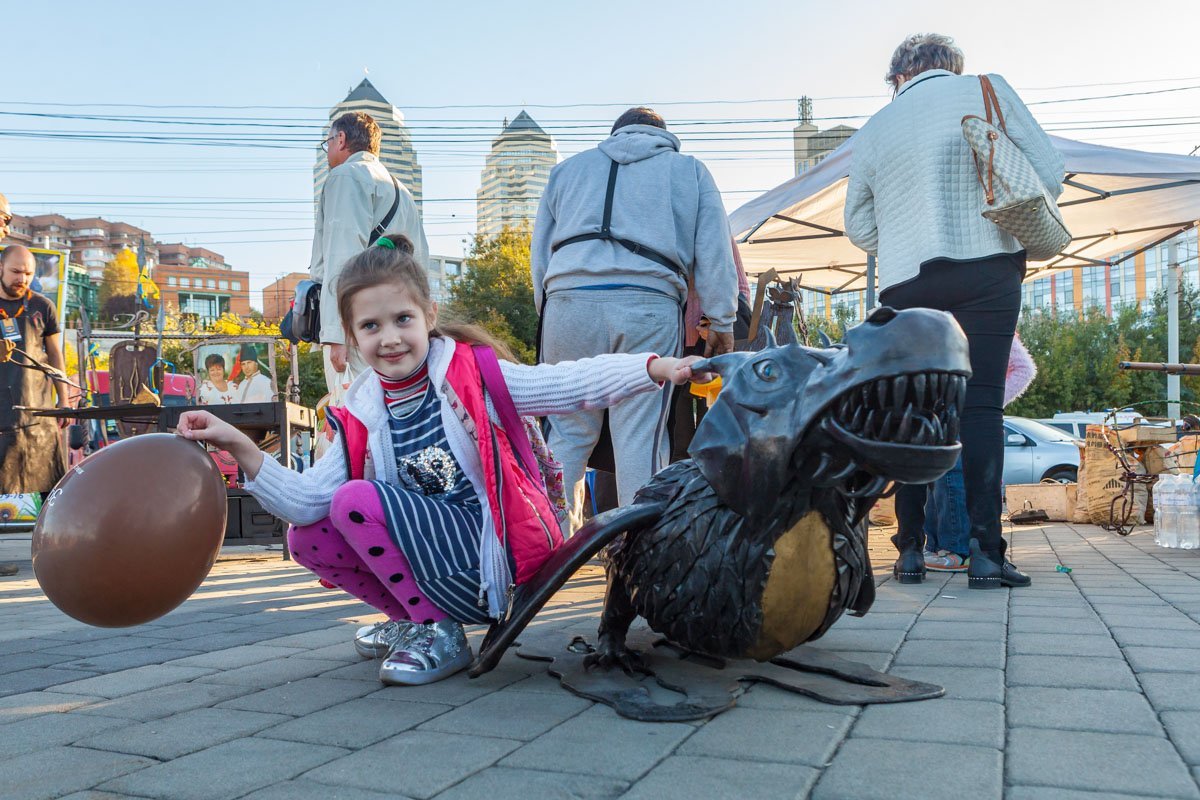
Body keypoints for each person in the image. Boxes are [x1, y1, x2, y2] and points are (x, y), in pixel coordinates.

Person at [176, 234, 706, 686]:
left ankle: (440, 631)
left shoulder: (472, 373)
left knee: (356, 499)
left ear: (428, 315)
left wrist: (654, 368)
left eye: (402, 319)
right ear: (352, 336)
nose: (389, 338)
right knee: (307, 536)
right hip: (431, 559)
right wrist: (236, 443)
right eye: (370, 326)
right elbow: (307, 502)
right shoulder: (361, 409)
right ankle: (414, 618)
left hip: (489, 555)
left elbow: (564, 382)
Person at [845, 33, 1062, 589]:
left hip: (906, 282)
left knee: (913, 410)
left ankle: (910, 552)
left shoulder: (874, 129)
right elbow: (1048, 171)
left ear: (899, 77)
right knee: (982, 407)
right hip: (988, 266)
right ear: (952, 66)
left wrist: (905, 233)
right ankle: (986, 554)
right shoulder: (986, 89)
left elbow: (858, 227)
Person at [532, 106, 739, 531]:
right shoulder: (689, 171)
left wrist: (550, 311)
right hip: (648, 302)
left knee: (567, 436)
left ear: (615, 135)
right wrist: (722, 321)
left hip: (567, 303)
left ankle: (546, 549)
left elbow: (540, 257)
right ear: (662, 135)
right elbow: (715, 251)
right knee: (639, 438)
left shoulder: (566, 172)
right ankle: (634, 555)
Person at [311, 111, 429, 405]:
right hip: (403, 318)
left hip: (362, 321)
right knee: (402, 405)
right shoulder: (401, 190)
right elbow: (421, 261)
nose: (328, 152)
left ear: (341, 139)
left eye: (328, 143)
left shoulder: (345, 177)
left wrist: (338, 333)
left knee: (358, 412)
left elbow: (343, 257)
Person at [923, 333, 1039, 572]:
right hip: (940, 412)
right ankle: (936, 547)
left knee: (954, 475)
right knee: (938, 478)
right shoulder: (943, 316)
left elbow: (1023, 369)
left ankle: (958, 550)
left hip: (965, 412)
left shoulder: (988, 318)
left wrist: (986, 403)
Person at [0, 244, 71, 577]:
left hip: (39, 412)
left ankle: (60, 553)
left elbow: (56, 356)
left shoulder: (43, 305)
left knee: (53, 487)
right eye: (16, 272)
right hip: (2, 413)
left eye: (28, 273)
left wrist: (65, 400)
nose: (22, 279)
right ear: (1, 269)